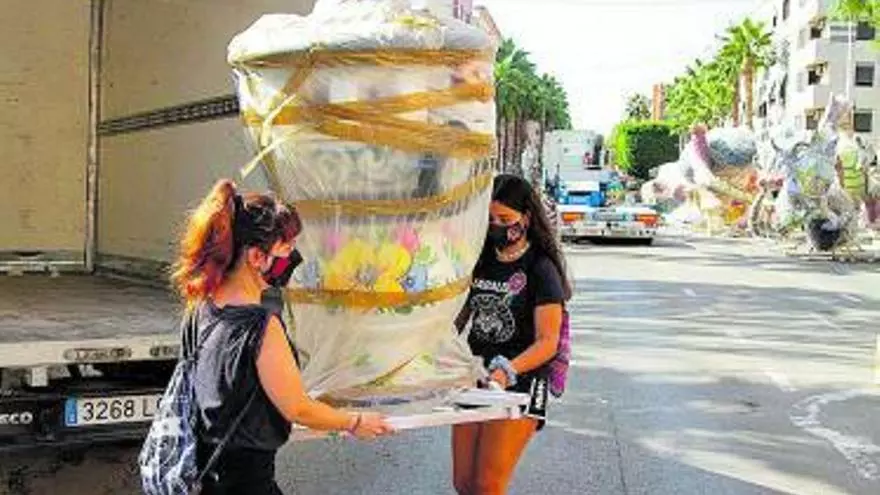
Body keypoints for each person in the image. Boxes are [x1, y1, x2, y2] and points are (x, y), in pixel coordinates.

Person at [171, 179, 394, 494]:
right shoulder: (260, 326)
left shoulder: (201, 309)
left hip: (203, 474)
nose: (293, 257)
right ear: (256, 257)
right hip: (247, 484)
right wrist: (355, 421)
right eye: (286, 247)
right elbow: (297, 408)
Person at [452, 174, 573, 495]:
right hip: (476, 377)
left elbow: (547, 341)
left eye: (505, 220)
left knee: (488, 485)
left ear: (526, 218)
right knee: (464, 483)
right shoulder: (479, 259)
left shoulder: (541, 269)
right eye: (490, 219)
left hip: (521, 382)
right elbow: (456, 320)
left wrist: (507, 372)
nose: (496, 227)